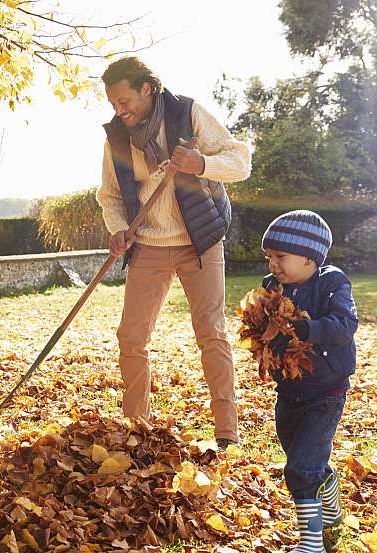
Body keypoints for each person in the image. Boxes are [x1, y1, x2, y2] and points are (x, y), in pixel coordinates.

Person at [96, 56, 251, 448]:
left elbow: (240, 162)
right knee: (131, 337)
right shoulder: (117, 136)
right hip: (148, 244)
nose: (120, 109)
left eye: (125, 100)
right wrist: (117, 229)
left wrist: (201, 163)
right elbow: (111, 195)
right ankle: (136, 429)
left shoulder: (188, 113)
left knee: (211, 333)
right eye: (114, 103)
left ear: (146, 89)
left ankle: (227, 434)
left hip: (200, 240)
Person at [260, 210, 357, 552]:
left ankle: (311, 543)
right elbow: (267, 324)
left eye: (281, 257)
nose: (273, 264)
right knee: (303, 458)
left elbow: (345, 325)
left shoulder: (332, 283)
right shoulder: (273, 286)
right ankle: (328, 493)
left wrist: (308, 328)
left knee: (300, 467)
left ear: (309, 256)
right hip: (289, 391)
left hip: (326, 390)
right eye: (269, 256)